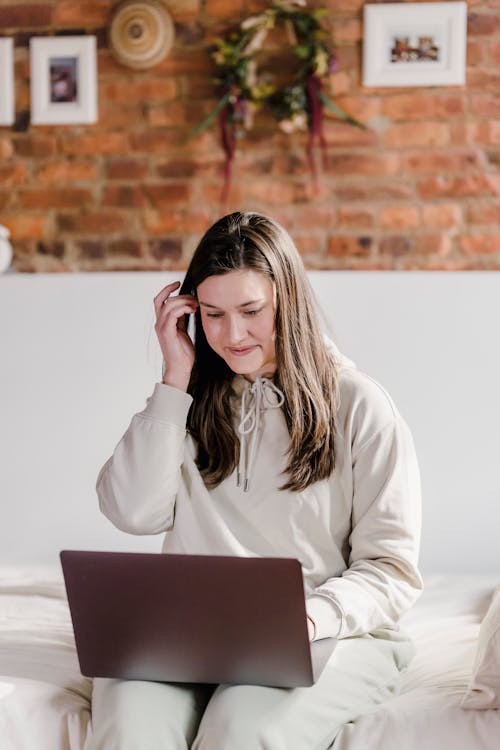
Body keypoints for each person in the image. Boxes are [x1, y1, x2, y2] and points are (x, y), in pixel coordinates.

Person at [91, 210, 423, 750]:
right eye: (214, 314)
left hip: (325, 632)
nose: (232, 335)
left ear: (287, 303)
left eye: (251, 311)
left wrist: (309, 619)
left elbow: (391, 569)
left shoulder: (359, 404)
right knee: (130, 731)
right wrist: (174, 379)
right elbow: (132, 513)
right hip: (189, 633)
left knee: (239, 732)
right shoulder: (186, 403)